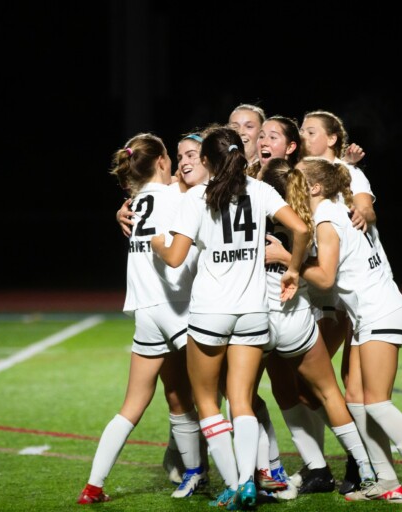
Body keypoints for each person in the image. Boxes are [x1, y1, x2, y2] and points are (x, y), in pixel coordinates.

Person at [268, 156, 402, 503]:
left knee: (377, 403)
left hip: (381, 311)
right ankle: (386, 479)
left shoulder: (327, 218)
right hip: (368, 315)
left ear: (315, 187)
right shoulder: (336, 208)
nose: (292, 183)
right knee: (357, 401)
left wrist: (286, 260)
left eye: (298, 178)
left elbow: (326, 277)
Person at [151, 126, 310, 510]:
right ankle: (248, 479)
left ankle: (235, 484)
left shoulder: (198, 199)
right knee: (242, 402)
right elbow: (301, 229)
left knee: (207, 402)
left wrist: (157, 242)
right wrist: (294, 269)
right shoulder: (261, 190)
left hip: (210, 313)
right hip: (254, 311)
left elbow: (174, 258)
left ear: (206, 161)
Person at [77, 133, 205, 504]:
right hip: (178, 306)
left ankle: (93, 486)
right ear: (163, 162)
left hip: (146, 312)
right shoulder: (177, 196)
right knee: (217, 395)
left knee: (145, 402)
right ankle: (229, 475)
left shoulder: (135, 203)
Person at [260, 157, 377, 495]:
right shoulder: (306, 217)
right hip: (297, 316)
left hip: (260, 319)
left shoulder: (253, 204)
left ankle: (255, 477)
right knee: (323, 392)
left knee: (241, 399)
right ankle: (363, 467)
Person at [297, 109, 380, 493]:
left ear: (332, 138)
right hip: (321, 297)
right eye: (301, 130)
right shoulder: (304, 177)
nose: (304, 136)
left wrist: (361, 210)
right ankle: (331, 465)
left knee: (350, 388)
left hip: (347, 298)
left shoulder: (345, 178)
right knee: (320, 385)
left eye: (311, 131)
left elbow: (366, 207)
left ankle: (359, 464)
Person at [228, 103, 265, 176]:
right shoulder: (218, 167)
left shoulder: (268, 171)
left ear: (261, 132)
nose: (241, 132)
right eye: (235, 127)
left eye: (249, 126)